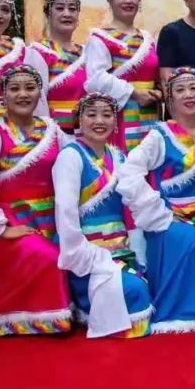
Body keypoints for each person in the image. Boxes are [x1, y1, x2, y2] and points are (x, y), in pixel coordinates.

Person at [0, 65, 71, 336]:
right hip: (10, 220)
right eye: (15, 89)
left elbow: (76, 160)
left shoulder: (51, 128)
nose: (23, 94)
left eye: (30, 88)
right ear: (3, 95)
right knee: (50, 259)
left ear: (40, 94)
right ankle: (22, 315)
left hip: (50, 220)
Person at [117, 67, 195, 333]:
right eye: (180, 90)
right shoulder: (159, 135)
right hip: (173, 218)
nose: (188, 95)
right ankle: (186, 310)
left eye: (194, 88)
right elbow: (128, 173)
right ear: (169, 97)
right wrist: (157, 213)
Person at [52, 93, 155, 339]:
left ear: (115, 122)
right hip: (88, 252)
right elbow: (65, 211)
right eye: (91, 114)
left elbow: (133, 204)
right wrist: (81, 255)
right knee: (134, 291)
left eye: (107, 115)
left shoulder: (118, 156)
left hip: (122, 248)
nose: (100, 121)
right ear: (79, 120)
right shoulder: (70, 156)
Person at [85, 0, 162, 152]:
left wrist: (159, 91)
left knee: (150, 157)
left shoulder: (147, 39)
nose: (128, 0)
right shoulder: (100, 38)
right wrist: (134, 93)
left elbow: (155, 75)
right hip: (118, 115)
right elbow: (96, 79)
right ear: (110, 1)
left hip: (150, 113)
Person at [31, 0, 87, 133]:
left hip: (87, 132)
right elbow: (36, 100)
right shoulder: (38, 51)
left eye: (72, 9)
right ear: (48, 14)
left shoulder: (87, 52)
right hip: (54, 132)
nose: (67, 14)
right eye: (60, 8)